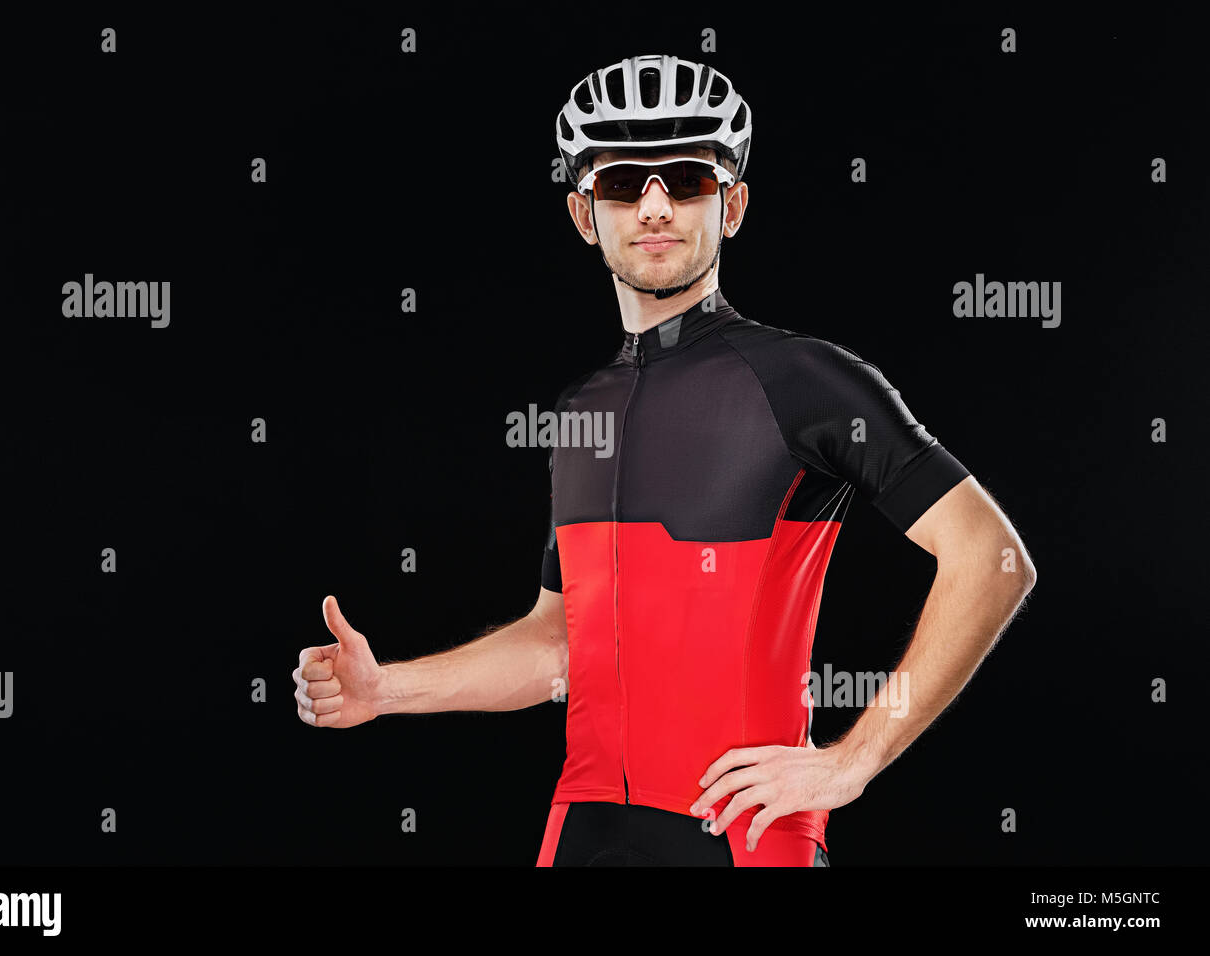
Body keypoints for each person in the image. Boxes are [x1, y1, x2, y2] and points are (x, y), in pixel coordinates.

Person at [292, 54, 1037, 866]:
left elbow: (992, 562)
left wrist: (852, 761)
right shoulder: (582, 410)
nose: (654, 205)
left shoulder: (805, 379)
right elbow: (562, 648)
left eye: (686, 178)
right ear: (584, 214)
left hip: (742, 838)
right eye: (621, 184)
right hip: (579, 832)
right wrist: (386, 690)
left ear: (733, 204)